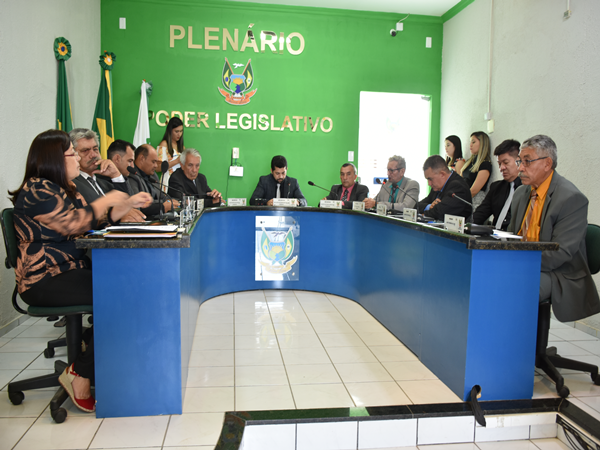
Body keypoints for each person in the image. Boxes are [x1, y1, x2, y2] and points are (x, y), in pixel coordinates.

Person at [8, 130, 151, 412]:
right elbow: (73, 223)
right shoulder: (37, 190)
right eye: (72, 153)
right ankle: (80, 373)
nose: (77, 158)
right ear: (54, 159)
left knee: (129, 287)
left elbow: (93, 221)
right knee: (121, 295)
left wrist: (124, 205)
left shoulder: (64, 188)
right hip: (43, 279)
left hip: (67, 270)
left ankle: (90, 354)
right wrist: (107, 200)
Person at [508, 135, 600, 322]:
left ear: (547, 163)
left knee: (514, 289)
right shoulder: (521, 193)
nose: (521, 168)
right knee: (487, 279)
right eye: (520, 161)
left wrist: (519, 265)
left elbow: (560, 253)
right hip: (525, 264)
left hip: (559, 272)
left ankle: (519, 341)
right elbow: (511, 236)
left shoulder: (571, 198)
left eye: (527, 161)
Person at [472, 139, 522, 230]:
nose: (501, 168)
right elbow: (480, 214)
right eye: (499, 164)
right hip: (494, 235)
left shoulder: (527, 189)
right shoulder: (496, 187)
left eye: (506, 163)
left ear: (518, 161)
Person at [70, 128, 128, 200]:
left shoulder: (105, 183)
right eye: (85, 151)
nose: (94, 155)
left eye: (95, 149)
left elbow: (126, 202)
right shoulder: (72, 184)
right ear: (73, 154)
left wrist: (116, 175)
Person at [129, 144, 179, 217]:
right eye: (153, 162)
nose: (156, 166)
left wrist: (172, 201)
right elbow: (140, 206)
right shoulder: (132, 176)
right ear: (142, 158)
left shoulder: (153, 175)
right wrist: (162, 206)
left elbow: (162, 197)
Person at [417, 155, 472, 220]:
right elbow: (417, 206)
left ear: (442, 174)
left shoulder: (458, 186)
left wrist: (422, 215)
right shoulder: (437, 186)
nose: (429, 183)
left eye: (430, 179)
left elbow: (441, 212)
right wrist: (429, 206)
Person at [460, 131, 492, 209]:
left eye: (473, 142)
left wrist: (459, 200)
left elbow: (474, 191)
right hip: (463, 197)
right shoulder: (468, 162)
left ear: (482, 144)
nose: (470, 145)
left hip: (474, 201)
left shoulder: (485, 164)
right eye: (470, 142)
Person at [157, 117, 184, 188]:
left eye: (181, 131)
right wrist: (177, 161)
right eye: (176, 131)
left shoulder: (182, 147)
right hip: (168, 182)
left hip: (180, 182)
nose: (179, 134)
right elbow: (158, 167)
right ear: (170, 130)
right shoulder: (164, 145)